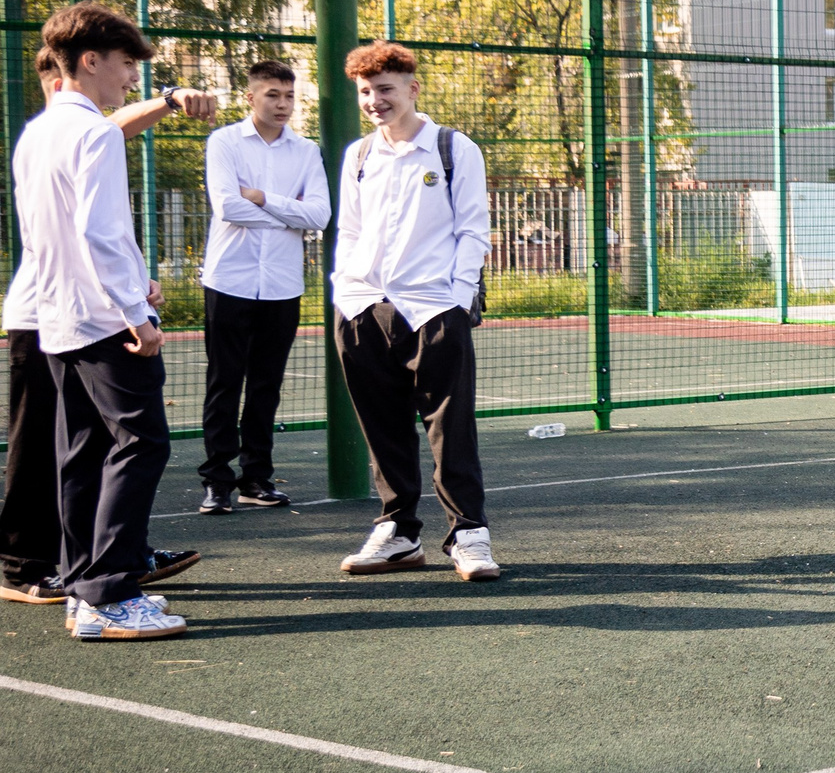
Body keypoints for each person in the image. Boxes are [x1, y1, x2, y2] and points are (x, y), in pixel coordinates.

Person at [2, 50, 212, 606]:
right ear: (86, 63)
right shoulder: (87, 132)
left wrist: (136, 281)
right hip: (92, 317)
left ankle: (88, 577)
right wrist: (134, 306)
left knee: (81, 450)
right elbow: (98, 233)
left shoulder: (38, 136)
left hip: (66, 313)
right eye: (126, 63)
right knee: (127, 445)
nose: (132, 76)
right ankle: (93, 585)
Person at [330, 41, 497, 581]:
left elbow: (473, 230)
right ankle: (399, 531)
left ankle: (469, 533)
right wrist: (346, 289)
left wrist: (455, 296)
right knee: (381, 426)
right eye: (365, 92)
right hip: (362, 308)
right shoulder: (357, 156)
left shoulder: (454, 149)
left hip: (433, 310)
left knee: (449, 426)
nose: (375, 101)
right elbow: (349, 232)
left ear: (411, 88)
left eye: (384, 89)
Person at [195, 58, 329, 516]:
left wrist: (262, 197)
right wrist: (286, 212)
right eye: (273, 95)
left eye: (290, 96)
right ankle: (217, 481)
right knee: (223, 384)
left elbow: (320, 216)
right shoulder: (224, 142)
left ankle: (256, 478)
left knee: (266, 387)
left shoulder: (307, 152)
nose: (283, 104)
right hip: (228, 281)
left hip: (282, 286)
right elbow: (227, 207)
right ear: (250, 97)